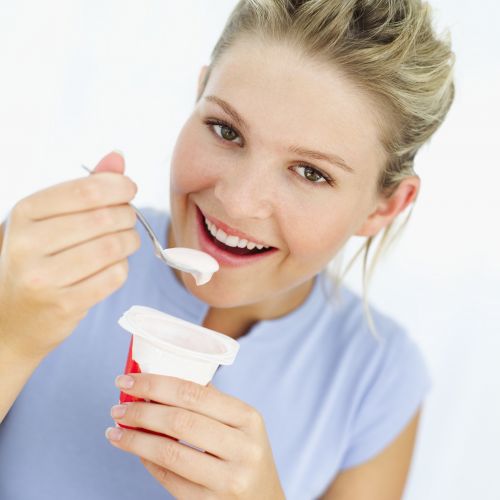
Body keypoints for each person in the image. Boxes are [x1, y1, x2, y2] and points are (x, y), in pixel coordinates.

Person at [0, 0, 454, 498]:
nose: (237, 203)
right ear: (198, 94)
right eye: (226, 131)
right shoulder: (40, 265)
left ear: (385, 207)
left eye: (310, 173)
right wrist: (11, 338)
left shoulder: (379, 381)